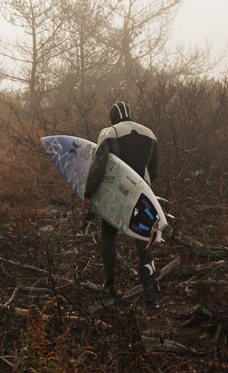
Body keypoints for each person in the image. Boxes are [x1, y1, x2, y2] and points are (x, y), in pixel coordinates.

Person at [83, 101, 160, 310]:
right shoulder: (150, 134)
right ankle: (150, 294)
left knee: (108, 237)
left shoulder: (109, 132)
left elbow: (99, 166)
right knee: (144, 242)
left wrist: (88, 194)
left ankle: (110, 286)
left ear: (112, 117)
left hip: (117, 197)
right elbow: (153, 171)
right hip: (142, 197)